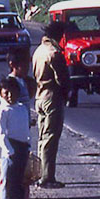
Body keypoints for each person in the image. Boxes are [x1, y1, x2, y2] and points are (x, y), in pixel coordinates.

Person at [32, 21, 70, 188]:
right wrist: (66, 94)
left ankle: (40, 173)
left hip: (39, 96)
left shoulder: (38, 51)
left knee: (41, 137)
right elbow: (62, 79)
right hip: (51, 97)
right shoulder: (54, 53)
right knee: (50, 139)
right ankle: (47, 177)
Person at [0, 77, 32, 199]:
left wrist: (28, 146)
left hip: (23, 149)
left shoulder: (21, 108)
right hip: (10, 152)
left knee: (20, 187)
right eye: (6, 93)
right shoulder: (2, 111)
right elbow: (1, 134)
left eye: (12, 92)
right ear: (1, 94)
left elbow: (25, 129)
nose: (9, 96)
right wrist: (9, 151)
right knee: (8, 187)